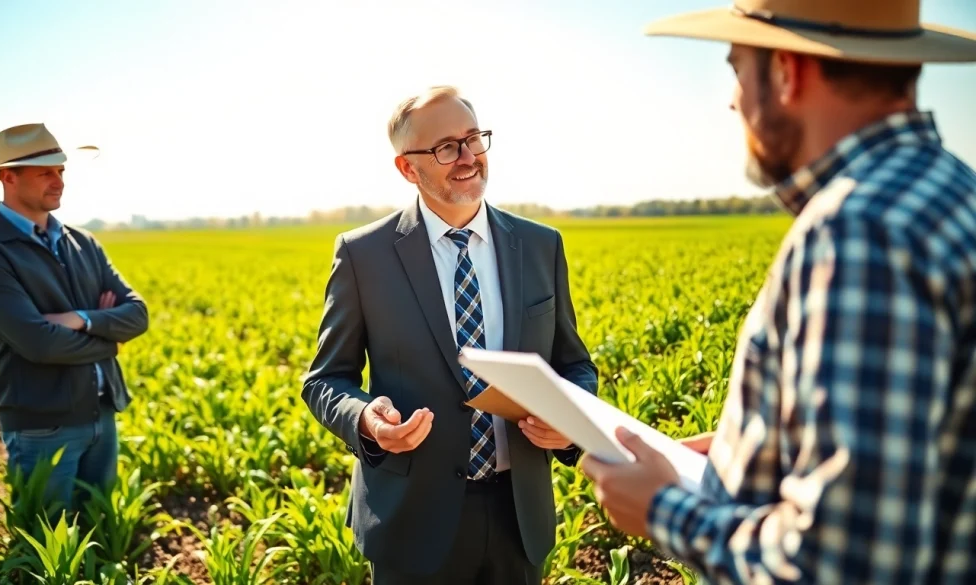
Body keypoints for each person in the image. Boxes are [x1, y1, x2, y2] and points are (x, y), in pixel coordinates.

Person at [580, 1, 976, 583]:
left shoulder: (857, 231)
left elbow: (846, 564)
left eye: (737, 67)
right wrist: (745, 448)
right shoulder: (947, 191)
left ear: (788, 72)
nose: (733, 98)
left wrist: (663, 510)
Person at [302, 85, 598, 585]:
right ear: (406, 168)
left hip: (517, 518)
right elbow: (325, 379)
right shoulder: (363, 255)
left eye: (473, 139)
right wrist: (369, 422)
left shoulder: (540, 244)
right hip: (410, 522)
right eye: (445, 148)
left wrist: (569, 417)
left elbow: (575, 365)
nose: (467, 157)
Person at [0, 123, 148, 514]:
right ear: (8, 177)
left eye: (61, 170)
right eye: (45, 171)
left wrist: (78, 318)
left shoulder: (83, 242)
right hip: (42, 425)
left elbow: (137, 313)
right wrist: (110, 339)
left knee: (99, 527)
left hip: (103, 412)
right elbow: (39, 343)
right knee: (45, 544)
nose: (59, 181)